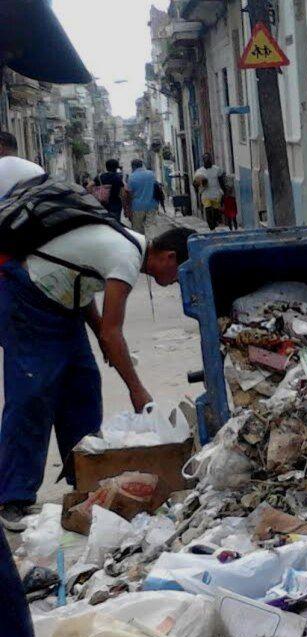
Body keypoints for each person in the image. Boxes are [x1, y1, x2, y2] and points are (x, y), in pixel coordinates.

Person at [0, 156, 195, 531]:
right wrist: (137, 389)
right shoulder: (126, 255)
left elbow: (79, 281)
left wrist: (99, 333)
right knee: (32, 393)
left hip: (62, 304)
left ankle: (85, 481)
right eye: (179, 273)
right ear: (169, 257)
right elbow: (113, 330)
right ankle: (13, 498)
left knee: (83, 388)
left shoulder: (123, 242)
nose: (176, 282)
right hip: (26, 297)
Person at [193, 152, 226, 230]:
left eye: (208, 159)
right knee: (208, 210)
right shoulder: (200, 172)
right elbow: (195, 184)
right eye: (205, 159)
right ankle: (211, 226)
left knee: (215, 212)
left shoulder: (217, 169)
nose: (207, 161)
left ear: (211, 160)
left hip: (216, 194)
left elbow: (221, 181)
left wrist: (224, 191)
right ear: (203, 161)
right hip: (205, 194)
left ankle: (215, 224)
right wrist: (199, 185)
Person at [125, 159, 158, 234]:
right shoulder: (151, 174)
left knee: (137, 229)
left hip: (137, 206)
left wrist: (128, 208)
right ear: (142, 165)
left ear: (133, 166)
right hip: (152, 204)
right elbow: (156, 188)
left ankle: (142, 244)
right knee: (150, 227)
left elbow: (129, 194)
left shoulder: (131, 177)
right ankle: (151, 243)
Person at [93, 158, 125, 222]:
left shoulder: (99, 177)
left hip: (102, 205)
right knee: (116, 224)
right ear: (116, 167)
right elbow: (122, 194)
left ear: (106, 167)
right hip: (115, 206)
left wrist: (94, 195)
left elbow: (89, 186)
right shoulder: (117, 177)